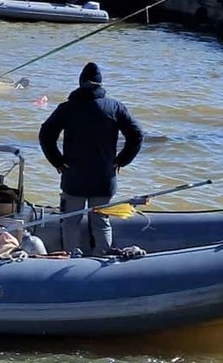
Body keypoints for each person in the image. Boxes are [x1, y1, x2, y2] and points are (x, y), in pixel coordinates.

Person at [38, 62, 144, 256]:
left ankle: (70, 257)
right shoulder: (114, 107)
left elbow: (45, 134)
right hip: (104, 178)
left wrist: (57, 161)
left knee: (70, 220)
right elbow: (137, 135)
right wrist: (122, 160)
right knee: (101, 220)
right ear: (101, 85)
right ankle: (102, 257)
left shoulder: (67, 108)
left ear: (80, 84)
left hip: (74, 177)